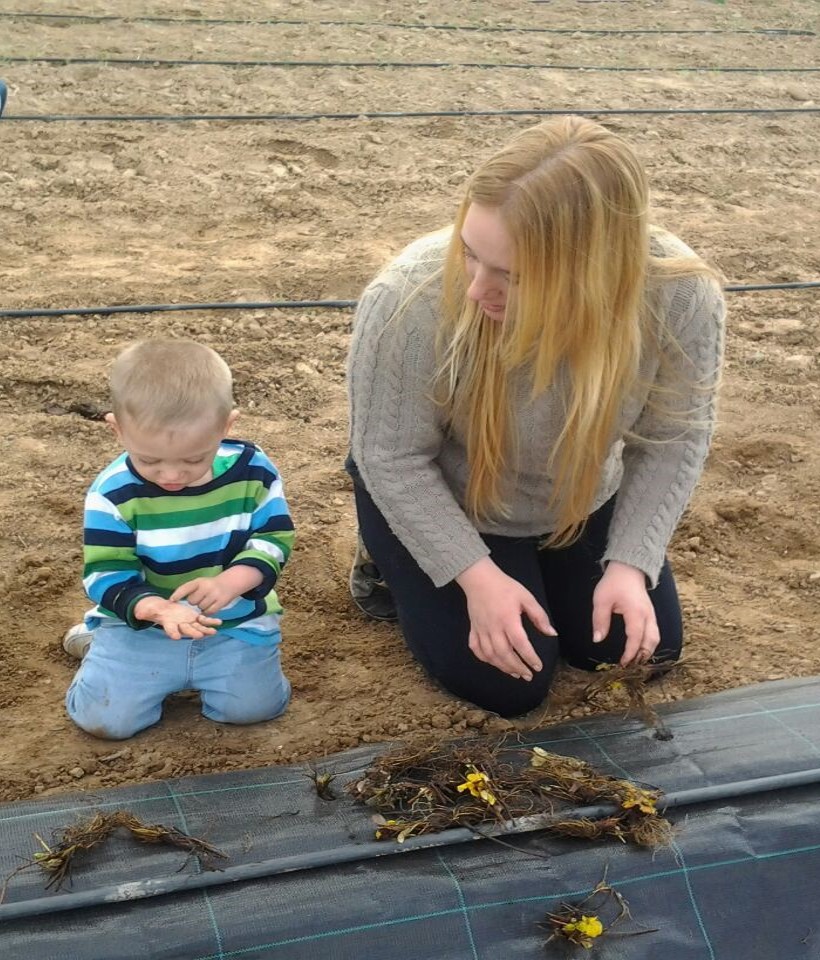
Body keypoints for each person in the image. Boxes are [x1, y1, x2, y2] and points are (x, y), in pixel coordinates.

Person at [347, 116, 725, 718]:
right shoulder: (407, 299)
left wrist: (631, 563)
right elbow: (390, 456)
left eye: (512, 276)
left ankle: (548, 565)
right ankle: (387, 560)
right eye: (470, 254)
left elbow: (674, 440)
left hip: (574, 498)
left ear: (593, 271)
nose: (476, 290)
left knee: (639, 653)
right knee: (509, 685)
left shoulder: (678, 294)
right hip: (449, 494)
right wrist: (476, 577)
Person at [63, 339, 295, 739]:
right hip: (144, 628)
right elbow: (105, 573)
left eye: (193, 459)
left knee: (254, 709)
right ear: (117, 429)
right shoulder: (112, 493)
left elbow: (273, 537)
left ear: (226, 426)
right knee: (107, 722)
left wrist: (231, 582)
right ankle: (97, 642)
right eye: (149, 460)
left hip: (232, 623)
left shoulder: (254, 472)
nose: (171, 476)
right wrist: (156, 609)